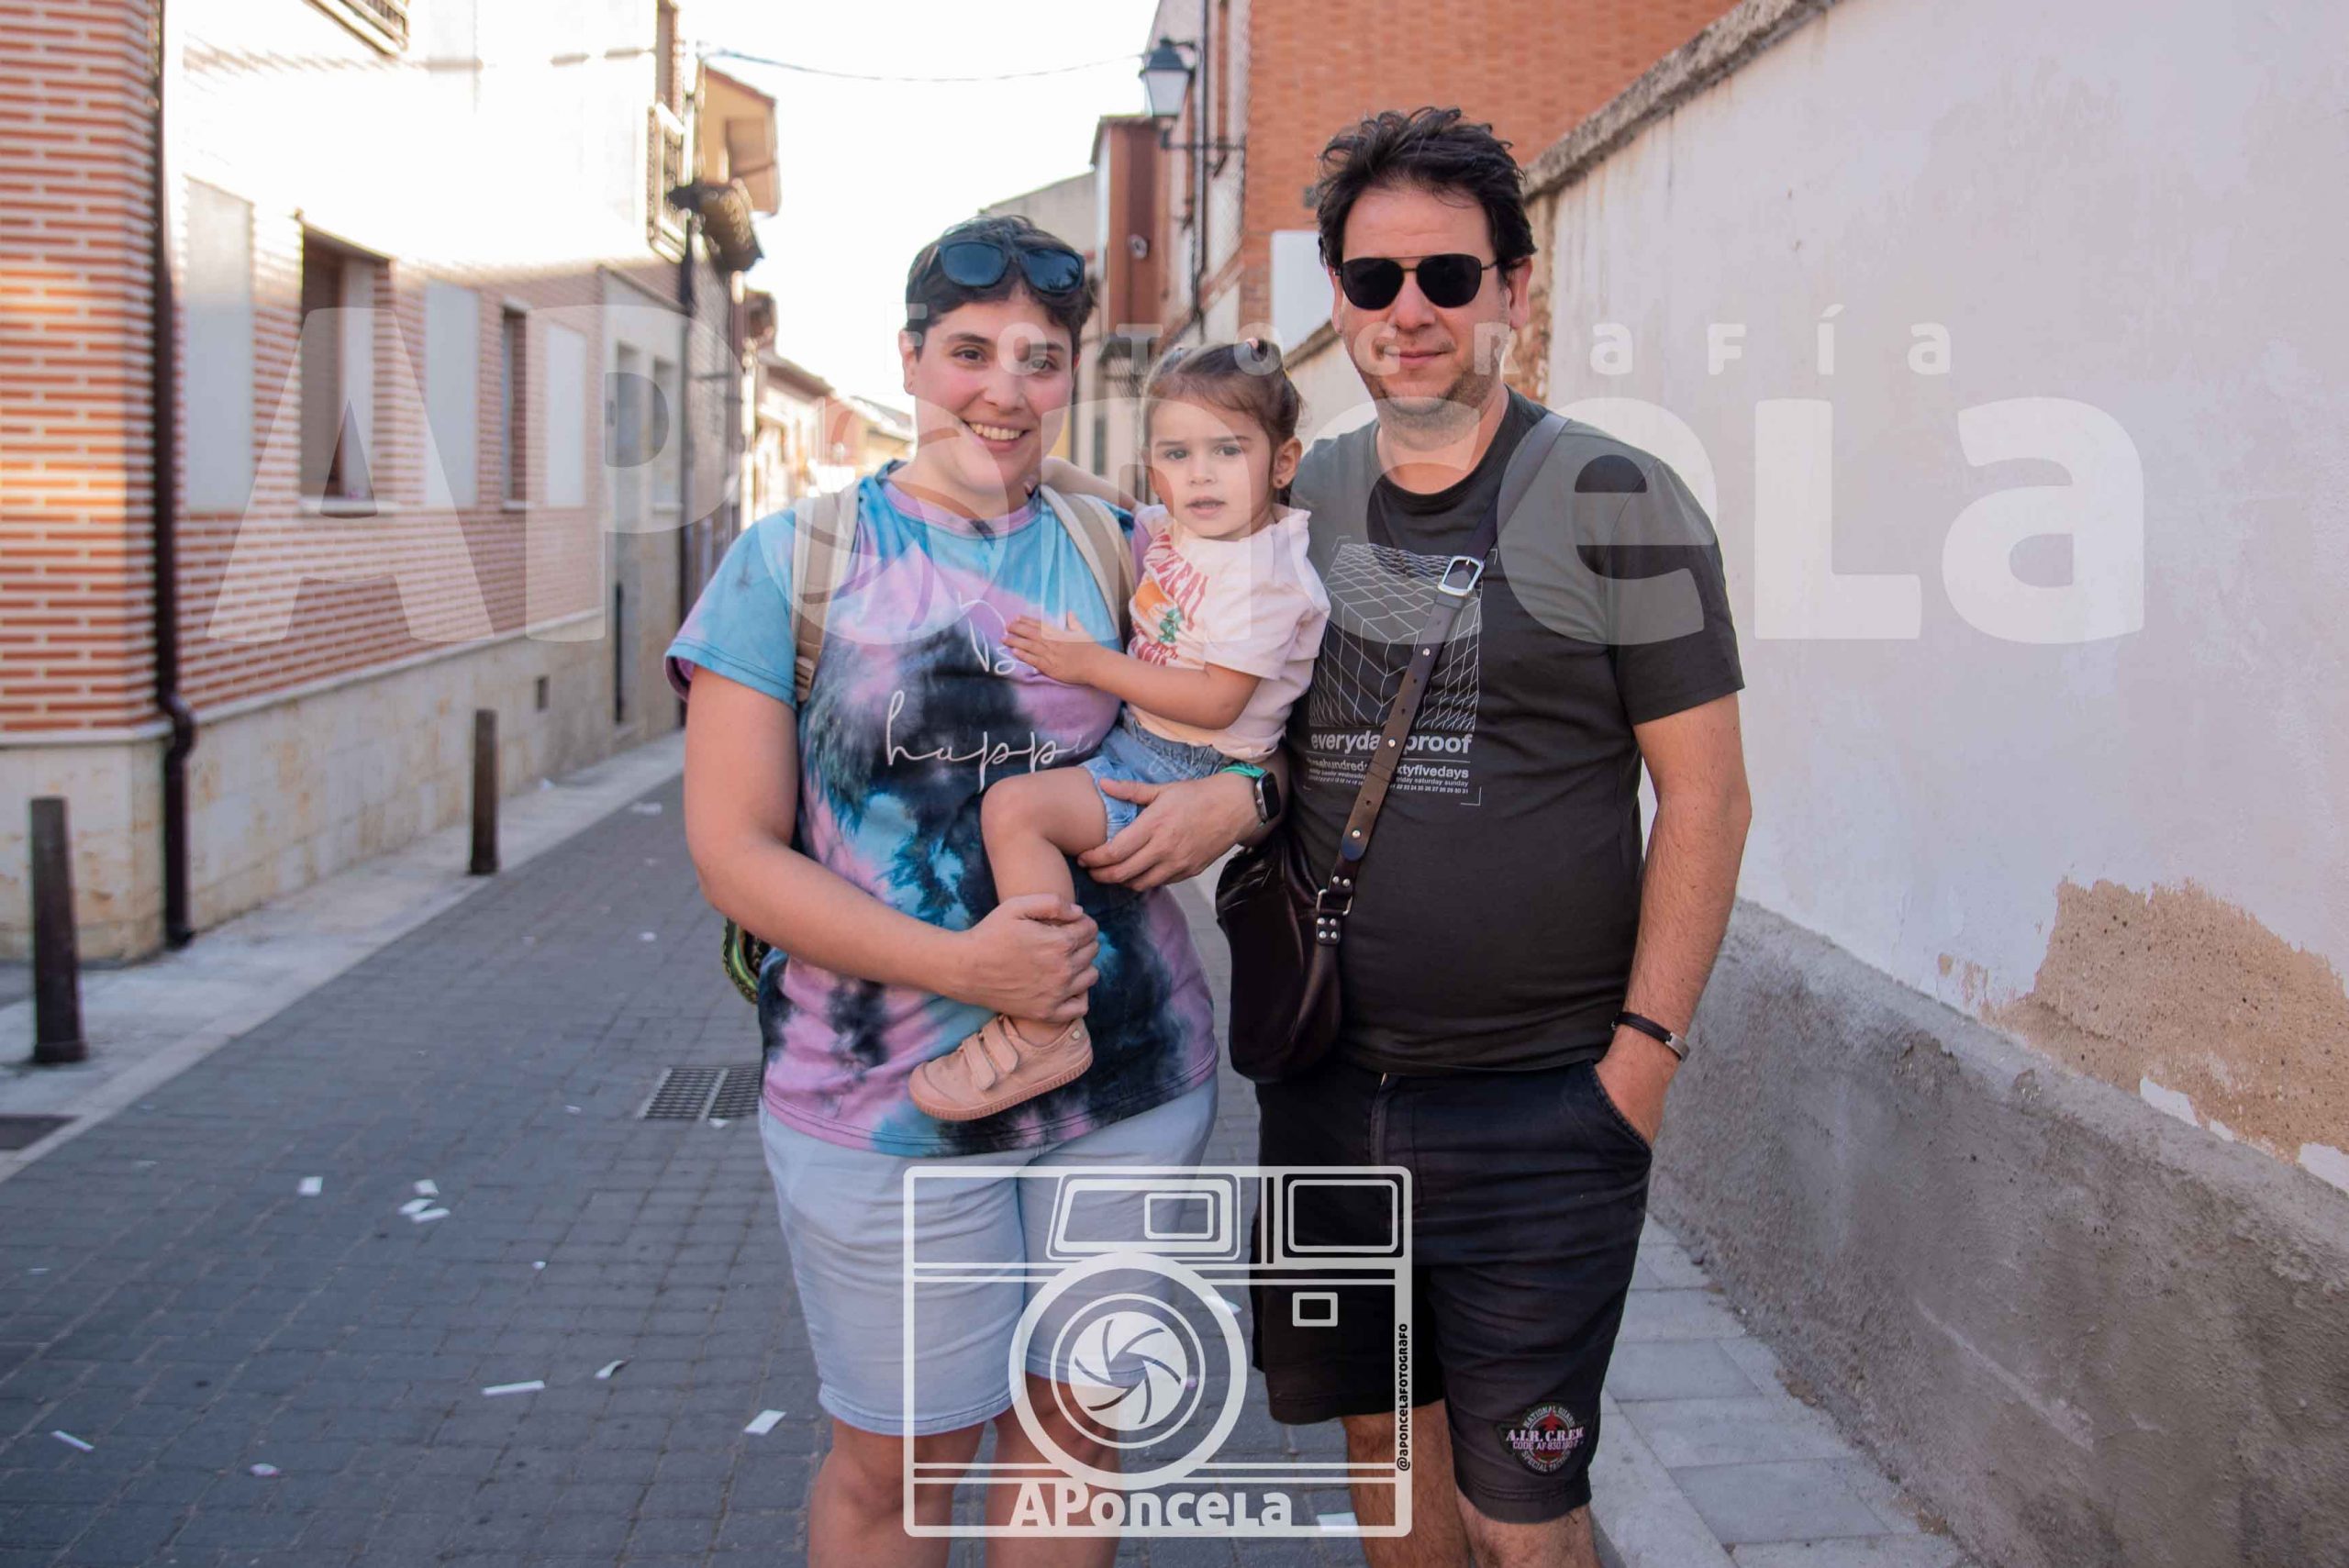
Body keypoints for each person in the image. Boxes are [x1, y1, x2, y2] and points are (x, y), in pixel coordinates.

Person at [1079, 107, 1753, 1568]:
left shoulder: (1619, 501)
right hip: (1330, 1091)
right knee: (1391, 1476)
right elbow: (1282, 733)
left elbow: (1708, 796)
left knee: (1525, 1515)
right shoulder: (1297, 503)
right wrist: (1236, 799)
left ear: (1515, 287)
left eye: (1450, 276)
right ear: (1339, 298)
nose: (1412, 311)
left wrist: (1640, 1066)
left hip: (1545, 1104)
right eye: (1376, 279)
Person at [668, 213, 1223, 1568]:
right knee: (903, 1466)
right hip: (885, 1102)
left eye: (1041, 359)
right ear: (911, 358)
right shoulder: (794, 561)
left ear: (1071, 375)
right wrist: (966, 968)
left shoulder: (1127, 550)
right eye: (970, 352)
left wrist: (1239, 801)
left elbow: (1251, 708)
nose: (1005, 387)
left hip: (1127, 1079)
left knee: (1075, 1434)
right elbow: (734, 852)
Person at [909, 339, 1328, 1122]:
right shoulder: (1191, 528)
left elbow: (1217, 700)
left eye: (1227, 450)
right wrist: (1000, 458)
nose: (1200, 474)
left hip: (1185, 762)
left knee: (1016, 811)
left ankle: (1046, 1024)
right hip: (1150, 739)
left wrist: (1088, 664)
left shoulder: (1265, 575)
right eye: (1177, 453)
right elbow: (1092, 489)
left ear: (1282, 463)